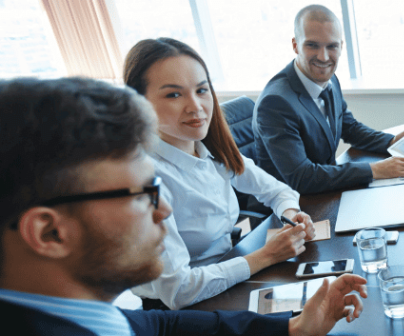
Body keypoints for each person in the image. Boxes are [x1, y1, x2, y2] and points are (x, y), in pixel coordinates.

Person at [0, 77, 368, 335]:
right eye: (143, 194)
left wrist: (292, 328)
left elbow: (157, 326)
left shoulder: (92, 315)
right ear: (50, 232)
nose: (164, 210)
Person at [122, 38, 316, 310]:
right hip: (186, 309)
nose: (196, 106)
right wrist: (265, 256)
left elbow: (277, 191)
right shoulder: (146, 179)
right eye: (174, 94)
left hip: (230, 276)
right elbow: (178, 291)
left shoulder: (210, 148)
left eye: (201, 90)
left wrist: (291, 214)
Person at [253, 4, 404, 194]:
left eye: (332, 46)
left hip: (326, 191)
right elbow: (302, 177)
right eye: (312, 45)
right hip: (293, 208)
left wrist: (391, 142)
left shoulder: (329, 78)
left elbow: (349, 128)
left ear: (341, 46)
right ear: (295, 45)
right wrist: (375, 170)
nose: (324, 57)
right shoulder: (275, 103)